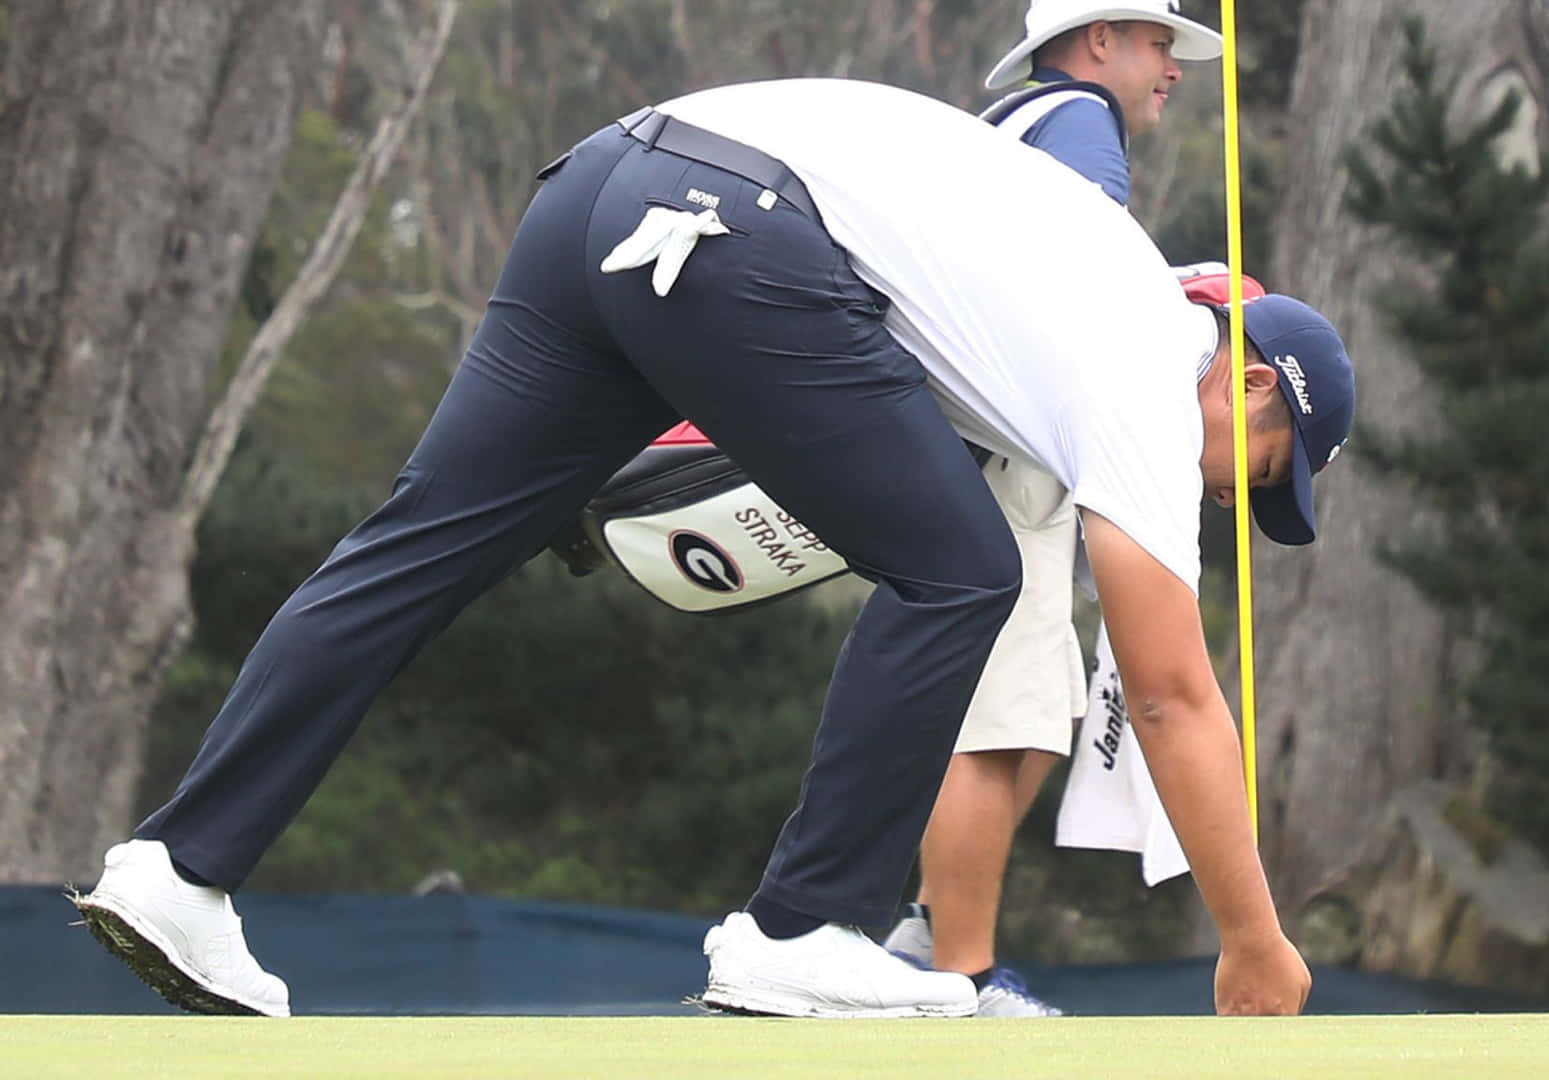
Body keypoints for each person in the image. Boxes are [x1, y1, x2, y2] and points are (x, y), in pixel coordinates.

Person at [73, 76, 1347, 1020]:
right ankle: (805, 930)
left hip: (605, 182)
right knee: (965, 572)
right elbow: (1170, 696)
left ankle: (180, 869)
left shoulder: (1071, 301)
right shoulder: (1149, 362)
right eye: (1260, 471)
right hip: (738, 221)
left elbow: (845, 390)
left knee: (416, 547)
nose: (1228, 496)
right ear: (1250, 384)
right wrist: (1253, 941)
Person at [880, 0, 1225, 1018]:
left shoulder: (1024, 122)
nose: (1173, 66)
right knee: (1003, 726)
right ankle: (958, 978)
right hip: (997, 457)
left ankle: (927, 932)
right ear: (1098, 40)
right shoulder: (1079, 118)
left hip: (966, 448)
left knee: (1036, 720)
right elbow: (1081, 293)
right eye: (1159, 43)